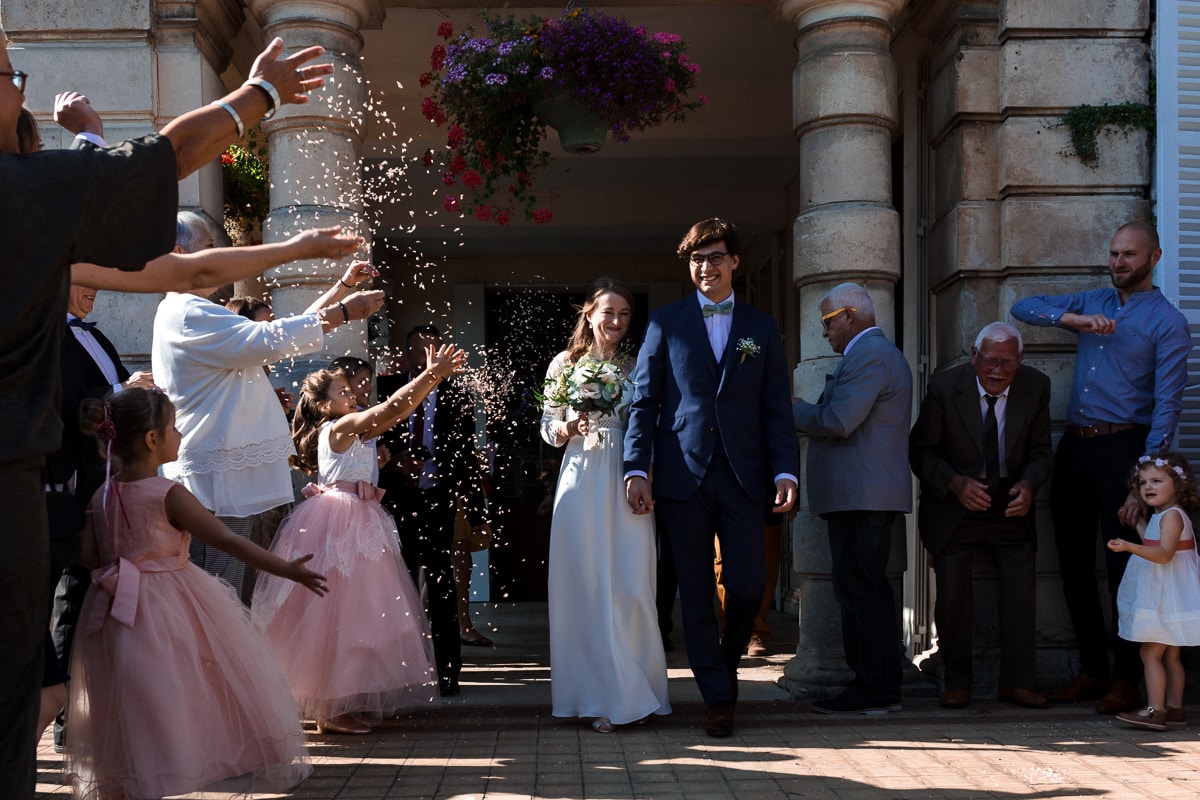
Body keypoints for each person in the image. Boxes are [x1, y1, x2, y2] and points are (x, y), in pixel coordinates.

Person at [0, 29, 334, 795]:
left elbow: (170, 248)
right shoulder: (20, 200)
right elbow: (158, 179)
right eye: (9, 73)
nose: (20, 85)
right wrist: (264, 95)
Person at [64, 389, 327, 798]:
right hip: (169, 602)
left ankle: (136, 778)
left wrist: (122, 566)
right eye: (173, 427)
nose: (180, 433)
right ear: (153, 440)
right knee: (180, 689)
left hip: (113, 606)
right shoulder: (168, 493)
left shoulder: (102, 494)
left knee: (131, 697)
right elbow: (227, 540)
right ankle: (178, 767)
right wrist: (286, 569)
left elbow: (86, 555)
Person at [624, 218, 798, 738]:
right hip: (682, 475)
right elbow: (645, 401)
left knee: (747, 585)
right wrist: (637, 467)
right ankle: (718, 697)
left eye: (716, 257)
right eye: (698, 259)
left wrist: (786, 468)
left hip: (746, 476)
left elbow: (775, 409)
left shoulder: (761, 328)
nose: (706, 267)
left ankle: (725, 659)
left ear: (734, 262)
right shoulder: (666, 321)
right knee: (695, 593)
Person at [1010, 220, 1192, 715]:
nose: (1118, 264)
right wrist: (1073, 321)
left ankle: (1126, 678)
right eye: (1113, 254)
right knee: (1070, 564)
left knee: (1123, 569)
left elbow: (1168, 406)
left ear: (1154, 257)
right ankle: (1091, 670)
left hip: (1124, 450)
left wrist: (1144, 481)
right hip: (1074, 446)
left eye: (1129, 255)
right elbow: (1021, 308)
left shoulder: (1168, 323)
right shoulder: (1093, 300)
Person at [153, 213, 383, 598]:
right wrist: (344, 313)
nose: (219, 258)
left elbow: (281, 332)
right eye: (209, 249)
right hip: (212, 476)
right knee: (214, 592)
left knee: (222, 587)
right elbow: (270, 339)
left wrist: (341, 289)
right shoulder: (188, 311)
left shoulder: (188, 309)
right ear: (179, 254)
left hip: (221, 471)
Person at [253, 345, 465, 734]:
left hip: (359, 519)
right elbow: (389, 411)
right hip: (340, 522)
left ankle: (340, 701)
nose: (352, 396)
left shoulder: (350, 428)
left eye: (352, 391)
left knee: (360, 613)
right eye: (343, 393)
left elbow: (394, 414)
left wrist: (377, 462)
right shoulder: (339, 427)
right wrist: (430, 375)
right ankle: (330, 708)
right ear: (323, 406)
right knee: (339, 612)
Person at [540, 278, 671, 733]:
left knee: (631, 581)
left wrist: (646, 474)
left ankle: (638, 690)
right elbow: (546, 427)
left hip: (627, 475)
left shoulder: (638, 366)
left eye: (624, 314)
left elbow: (649, 427)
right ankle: (595, 695)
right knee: (586, 582)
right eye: (608, 312)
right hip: (580, 474)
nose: (615, 321)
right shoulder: (564, 364)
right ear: (589, 314)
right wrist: (569, 428)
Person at [909, 322, 1053, 710]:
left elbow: (1041, 451)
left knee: (1021, 596)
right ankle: (956, 682)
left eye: (1007, 363)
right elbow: (920, 451)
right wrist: (955, 483)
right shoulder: (944, 387)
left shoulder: (1035, 387)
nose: (997, 371)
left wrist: (1029, 485)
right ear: (975, 356)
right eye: (990, 360)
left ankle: (1018, 683)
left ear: (1020, 361)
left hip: (1010, 504)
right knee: (953, 597)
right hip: (956, 506)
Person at [793, 282, 912, 716]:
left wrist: (794, 408)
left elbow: (839, 419)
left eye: (828, 321)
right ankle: (875, 685)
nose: (825, 332)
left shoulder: (871, 355)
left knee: (862, 590)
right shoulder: (870, 355)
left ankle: (876, 688)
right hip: (861, 494)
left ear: (850, 316)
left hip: (864, 496)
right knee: (860, 588)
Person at [378, 324, 493, 697]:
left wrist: (477, 516)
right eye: (421, 350)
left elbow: (467, 460)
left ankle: (448, 672)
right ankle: (400, 670)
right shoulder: (386, 388)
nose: (429, 356)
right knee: (398, 586)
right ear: (408, 354)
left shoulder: (458, 396)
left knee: (442, 586)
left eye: (434, 349)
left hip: (438, 501)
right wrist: (391, 462)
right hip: (394, 503)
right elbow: (364, 442)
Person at [1107, 453, 1200, 731]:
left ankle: (1153, 711)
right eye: (1143, 482)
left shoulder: (1172, 516)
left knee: (1150, 654)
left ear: (1178, 485)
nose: (1148, 487)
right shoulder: (1164, 516)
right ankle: (1175, 709)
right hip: (1171, 596)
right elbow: (1152, 538)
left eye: (1157, 481)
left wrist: (1127, 546)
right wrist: (1135, 525)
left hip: (1165, 598)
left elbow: (1163, 555)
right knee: (1170, 656)